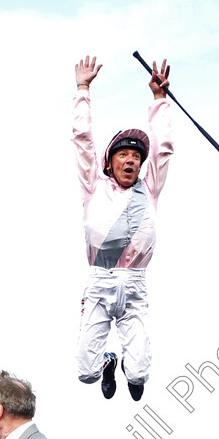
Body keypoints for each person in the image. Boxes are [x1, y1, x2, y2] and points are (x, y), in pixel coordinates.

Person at [73, 54, 174, 401]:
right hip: (100, 282)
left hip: (135, 286)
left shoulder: (150, 188)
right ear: (110, 162)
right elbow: (82, 141)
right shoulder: (93, 187)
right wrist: (83, 89)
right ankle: (105, 362)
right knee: (85, 373)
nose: (131, 160)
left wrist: (159, 100)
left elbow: (162, 150)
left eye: (135, 157)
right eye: (123, 155)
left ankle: (130, 368)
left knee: (140, 375)